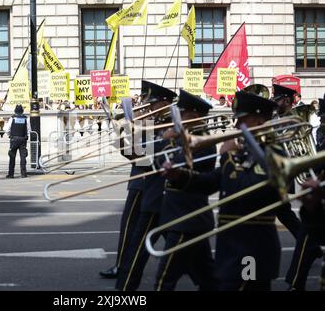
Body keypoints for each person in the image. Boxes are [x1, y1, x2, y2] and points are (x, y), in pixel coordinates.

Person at [163, 91, 282, 290]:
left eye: (242, 120)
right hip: (232, 244)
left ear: (260, 121)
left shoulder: (273, 153)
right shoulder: (245, 151)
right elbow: (212, 181)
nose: (236, 127)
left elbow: (247, 189)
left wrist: (227, 157)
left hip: (252, 247)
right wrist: (180, 176)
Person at [100, 81, 175, 280]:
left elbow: (144, 158)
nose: (147, 106)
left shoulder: (164, 125)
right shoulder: (148, 122)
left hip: (147, 183)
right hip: (141, 180)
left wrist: (133, 130)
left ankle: (124, 268)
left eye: (153, 103)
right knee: (147, 229)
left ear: (165, 103)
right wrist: (119, 134)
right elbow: (134, 155)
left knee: (133, 229)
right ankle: (124, 266)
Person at [154, 89, 217, 291]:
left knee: (164, 280)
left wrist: (169, 140)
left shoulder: (204, 142)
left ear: (195, 116)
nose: (178, 118)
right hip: (182, 216)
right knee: (207, 278)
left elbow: (181, 167)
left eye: (183, 114)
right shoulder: (181, 137)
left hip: (187, 218)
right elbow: (159, 162)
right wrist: (167, 140)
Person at [272, 84, 323, 291]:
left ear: (286, 100)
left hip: (293, 175)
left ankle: (295, 283)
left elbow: (303, 147)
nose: (276, 103)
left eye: (278, 99)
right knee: (294, 221)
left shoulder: (293, 118)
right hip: (285, 173)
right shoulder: (275, 118)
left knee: (304, 231)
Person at [5, 104, 31, 179]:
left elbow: (7, 130)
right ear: (22, 111)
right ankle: (23, 173)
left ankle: (11, 174)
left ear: (15, 111)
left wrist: (10, 135)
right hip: (23, 139)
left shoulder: (12, 118)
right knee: (23, 157)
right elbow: (29, 130)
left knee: (12, 157)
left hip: (14, 139)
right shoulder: (26, 118)